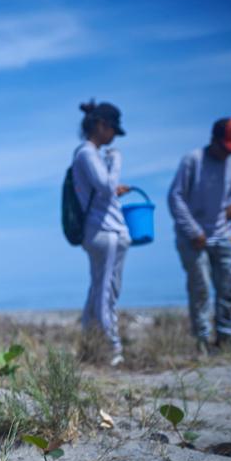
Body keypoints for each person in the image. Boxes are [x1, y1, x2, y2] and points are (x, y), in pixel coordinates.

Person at [168, 117, 231, 354]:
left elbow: (230, 194)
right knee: (200, 286)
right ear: (213, 140)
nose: (228, 154)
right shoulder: (193, 160)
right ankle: (202, 339)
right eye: (225, 148)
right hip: (193, 236)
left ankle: (226, 336)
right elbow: (175, 197)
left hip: (223, 233)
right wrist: (193, 230)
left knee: (230, 283)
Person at [72, 100, 133, 366]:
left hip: (106, 230)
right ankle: (113, 349)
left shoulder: (92, 154)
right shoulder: (86, 152)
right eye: (112, 130)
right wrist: (117, 161)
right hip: (102, 231)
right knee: (105, 291)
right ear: (100, 125)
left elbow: (104, 190)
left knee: (100, 289)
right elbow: (106, 186)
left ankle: (90, 344)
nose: (113, 138)